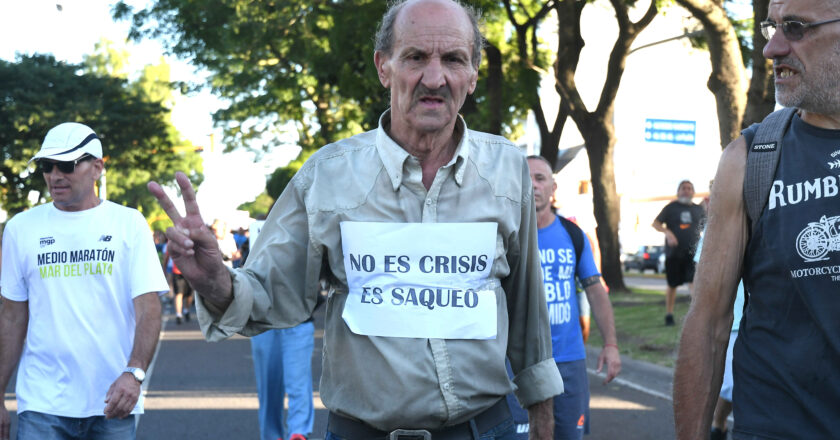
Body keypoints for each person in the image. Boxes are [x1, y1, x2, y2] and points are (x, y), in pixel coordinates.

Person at [148, 0, 563, 438]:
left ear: (473, 74)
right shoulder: (327, 177)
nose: (435, 78)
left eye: (454, 59)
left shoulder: (506, 168)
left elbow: (526, 307)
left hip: (484, 429)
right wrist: (214, 278)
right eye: (416, 57)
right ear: (384, 66)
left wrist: (543, 418)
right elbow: (272, 293)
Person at [673, 0, 840, 438]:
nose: (772, 48)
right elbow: (708, 322)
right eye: (772, 27)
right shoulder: (751, 158)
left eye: (796, 28)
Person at [0, 122, 169, 440]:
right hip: (42, 403)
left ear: (97, 168)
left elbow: (148, 307)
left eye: (66, 164)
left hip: (113, 400)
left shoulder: (128, 223)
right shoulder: (21, 229)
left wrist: (134, 373)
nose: (54, 175)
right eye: (47, 166)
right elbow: (11, 315)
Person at [506, 156, 621, 439]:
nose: (532, 185)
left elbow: (595, 289)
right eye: (525, 178)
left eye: (540, 179)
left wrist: (610, 344)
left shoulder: (572, 235)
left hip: (568, 360)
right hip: (517, 363)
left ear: (552, 187)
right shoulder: (505, 235)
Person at [248, 216, 316, 440]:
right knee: (269, 387)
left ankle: (299, 433)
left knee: (298, 382)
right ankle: (272, 435)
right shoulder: (256, 237)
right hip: (265, 323)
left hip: (298, 322)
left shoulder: (309, 239)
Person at [651, 180, 705, 326]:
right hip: (674, 253)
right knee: (672, 284)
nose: (686, 191)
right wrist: (668, 232)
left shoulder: (699, 209)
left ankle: (696, 316)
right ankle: (669, 315)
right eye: (683, 188)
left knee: (694, 282)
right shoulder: (670, 208)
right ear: (678, 191)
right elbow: (656, 223)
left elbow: (707, 226)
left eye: (689, 188)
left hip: (692, 253)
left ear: (693, 192)